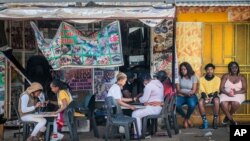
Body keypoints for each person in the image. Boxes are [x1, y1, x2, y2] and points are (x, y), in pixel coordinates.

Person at [132, 73, 164, 138]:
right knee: (138, 112)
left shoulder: (149, 86)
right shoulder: (159, 83)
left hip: (154, 108)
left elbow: (144, 100)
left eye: (143, 81)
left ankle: (137, 135)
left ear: (145, 80)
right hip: (159, 108)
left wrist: (137, 99)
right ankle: (140, 132)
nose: (143, 83)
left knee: (135, 114)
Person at [176, 62, 198, 128]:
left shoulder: (193, 77)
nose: (182, 71)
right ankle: (187, 119)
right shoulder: (179, 77)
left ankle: (185, 120)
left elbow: (194, 90)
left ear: (188, 69)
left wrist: (189, 93)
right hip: (181, 96)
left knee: (192, 105)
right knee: (176, 105)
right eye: (181, 69)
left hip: (190, 96)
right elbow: (178, 89)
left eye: (184, 69)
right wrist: (185, 93)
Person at [198, 63, 221, 129]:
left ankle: (215, 120)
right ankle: (205, 121)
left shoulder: (217, 79)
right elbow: (201, 89)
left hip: (214, 95)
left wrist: (211, 97)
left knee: (216, 101)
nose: (209, 71)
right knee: (200, 102)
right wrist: (205, 97)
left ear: (213, 70)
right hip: (205, 95)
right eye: (208, 69)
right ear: (206, 70)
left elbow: (216, 89)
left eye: (211, 69)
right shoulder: (201, 79)